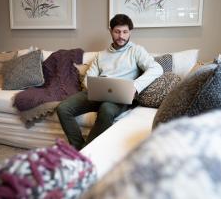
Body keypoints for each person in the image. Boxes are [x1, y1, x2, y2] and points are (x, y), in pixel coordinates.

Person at [57, 14, 163, 150]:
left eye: (125, 32)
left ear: (130, 32)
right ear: (111, 31)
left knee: (106, 109)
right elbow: (88, 78)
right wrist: (96, 86)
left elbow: (156, 68)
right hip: (98, 93)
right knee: (63, 108)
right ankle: (77, 148)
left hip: (120, 96)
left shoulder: (136, 51)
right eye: (117, 32)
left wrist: (135, 86)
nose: (121, 36)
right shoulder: (101, 55)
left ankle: (86, 150)